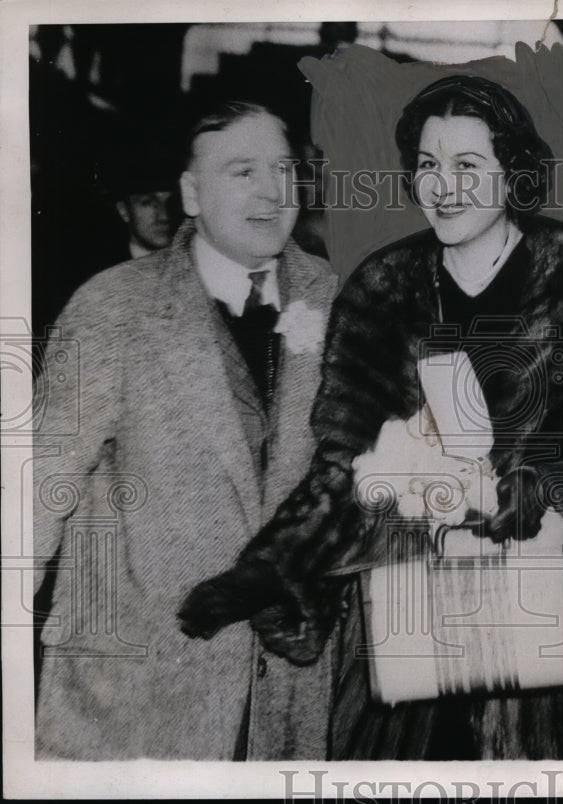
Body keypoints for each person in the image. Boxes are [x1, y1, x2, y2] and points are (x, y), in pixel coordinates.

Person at [179, 76, 563, 760]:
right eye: (429, 166)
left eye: (468, 166)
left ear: (515, 172)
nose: (445, 186)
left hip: (549, 630)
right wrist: (274, 566)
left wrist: (534, 491)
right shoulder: (382, 288)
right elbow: (342, 463)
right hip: (413, 629)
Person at [33, 101, 340, 760]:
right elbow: (33, 492)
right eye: (242, 171)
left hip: (284, 707)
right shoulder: (112, 305)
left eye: (283, 169)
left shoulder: (336, 298)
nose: (271, 190)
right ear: (191, 193)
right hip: (134, 703)